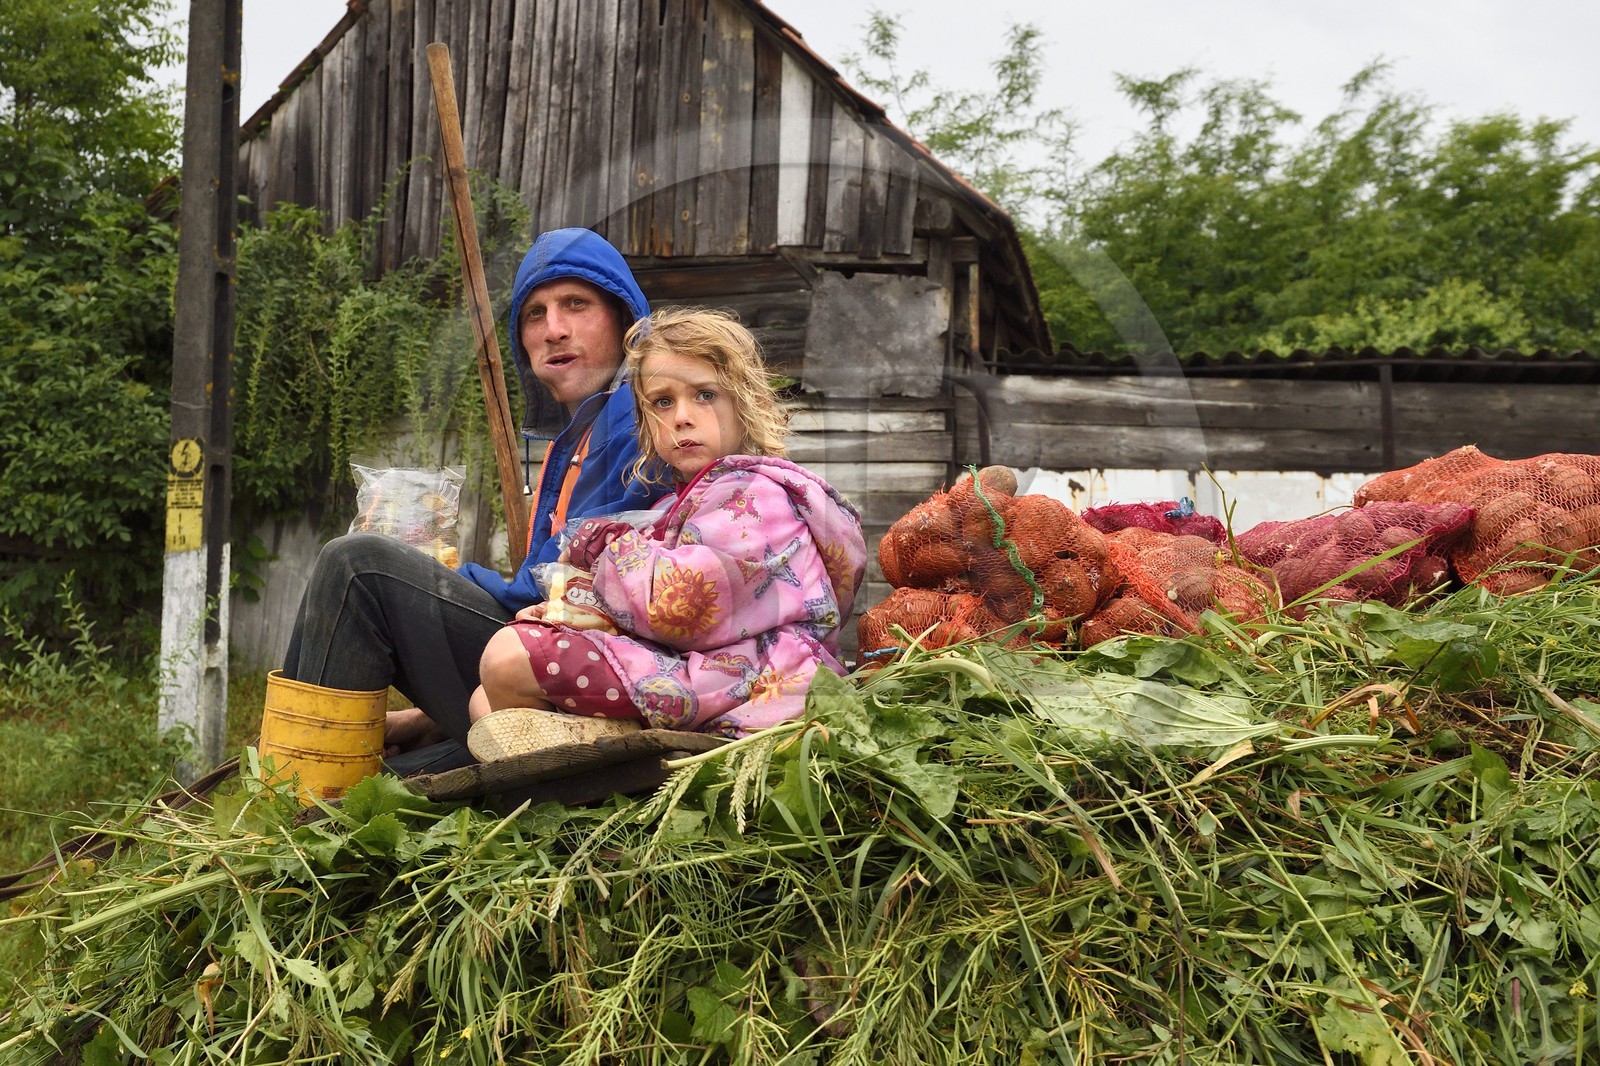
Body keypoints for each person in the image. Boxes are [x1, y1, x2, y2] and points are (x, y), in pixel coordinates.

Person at [269, 228, 662, 773]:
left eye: (576, 304)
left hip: (605, 678)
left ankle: (294, 788)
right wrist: (425, 719)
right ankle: (320, 780)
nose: (554, 329)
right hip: (555, 667)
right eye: (534, 314)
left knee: (357, 566)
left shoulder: (640, 416)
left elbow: (566, 589)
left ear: (624, 320)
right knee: (387, 781)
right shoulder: (574, 439)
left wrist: (444, 574)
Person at [467, 308, 868, 743]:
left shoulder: (754, 499)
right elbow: (639, 606)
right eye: (662, 402)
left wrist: (605, 545)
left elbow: (679, 605)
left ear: (747, 403)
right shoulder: (675, 504)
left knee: (509, 659)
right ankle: (599, 741)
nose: (681, 417)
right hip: (700, 671)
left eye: (705, 395)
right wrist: (569, 612)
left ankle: (602, 754)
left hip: (755, 686)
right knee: (483, 699)